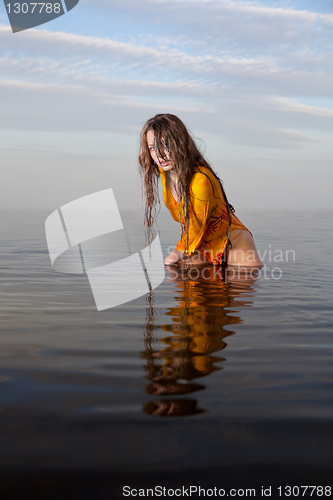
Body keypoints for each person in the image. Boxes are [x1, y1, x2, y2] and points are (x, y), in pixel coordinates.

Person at [139, 114, 263, 268]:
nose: (160, 154)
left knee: (170, 264)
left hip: (234, 247)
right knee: (177, 272)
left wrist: (171, 257)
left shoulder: (201, 180)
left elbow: (195, 230)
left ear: (180, 142)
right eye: (152, 147)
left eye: (166, 144)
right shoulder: (166, 174)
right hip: (205, 246)